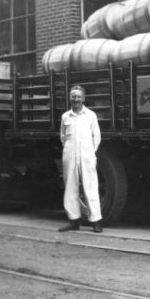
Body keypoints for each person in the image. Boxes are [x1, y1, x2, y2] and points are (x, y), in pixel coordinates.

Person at [57, 85, 103, 233]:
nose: (76, 99)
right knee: (70, 187)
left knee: (90, 187)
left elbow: (97, 137)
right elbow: (63, 137)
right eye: (73, 96)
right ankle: (73, 221)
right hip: (70, 154)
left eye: (78, 96)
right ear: (70, 98)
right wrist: (71, 150)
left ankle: (96, 221)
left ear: (83, 98)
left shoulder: (91, 115)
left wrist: (89, 152)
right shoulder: (65, 117)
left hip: (87, 154)